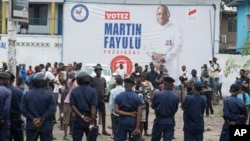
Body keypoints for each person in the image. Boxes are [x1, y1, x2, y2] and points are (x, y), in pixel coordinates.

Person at [146, 5, 183, 81]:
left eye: (164, 13)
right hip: (155, 67)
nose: (161, 16)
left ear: (168, 15)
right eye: (159, 14)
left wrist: (164, 58)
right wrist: (154, 55)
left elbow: (178, 47)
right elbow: (147, 46)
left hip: (171, 69)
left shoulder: (175, 28)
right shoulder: (152, 30)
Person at [21, 72, 56, 141]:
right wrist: (41, 119)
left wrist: (33, 119)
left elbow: (23, 109)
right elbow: (52, 109)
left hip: (31, 125)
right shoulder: (50, 95)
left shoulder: (27, 94)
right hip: (45, 125)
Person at [70, 71, 99, 141]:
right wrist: (92, 121)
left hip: (78, 119)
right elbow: (93, 107)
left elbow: (72, 105)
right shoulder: (93, 91)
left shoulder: (74, 91)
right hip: (90, 119)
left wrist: (82, 116)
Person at [151, 76, 179, 141]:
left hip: (159, 119)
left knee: (155, 138)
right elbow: (175, 109)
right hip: (170, 120)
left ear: (165, 84)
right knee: (168, 139)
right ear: (172, 85)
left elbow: (153, 106)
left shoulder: (158, 95)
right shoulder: (176, 96)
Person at [91, 64, 110, 135]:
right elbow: (90, 89)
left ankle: (104, 130)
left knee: (103, 114)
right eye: (97, 70)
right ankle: (96, 129)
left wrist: (105, 93)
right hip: (95, 100)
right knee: (94, 115)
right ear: (95, 71)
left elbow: (105, 88)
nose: (99, 72)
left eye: (100, 70)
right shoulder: (93, 80)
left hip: (102, 100)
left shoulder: (103, 79)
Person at [6, 71, 24, 141]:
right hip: (16, 118)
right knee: (18, 137)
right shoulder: (19, 91)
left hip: (4, 119)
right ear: (13, 80)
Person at [133, 72, 151, 140]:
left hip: (142, 107)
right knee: (134, 120)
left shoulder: (145, 87)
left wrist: (147, 101)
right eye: (136, 77)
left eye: (139, 77)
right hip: (134, 107)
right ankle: (134, 133)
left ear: (141, 78)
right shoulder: (133, 87)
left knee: (142, 121)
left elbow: (148, 96)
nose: (137, 79)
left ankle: (140, 135)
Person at [0, 72, 11, 141]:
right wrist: (3, 118)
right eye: (7, 80)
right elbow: (6, 108)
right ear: (2, 80)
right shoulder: (7, 91)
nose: (9, 81)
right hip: (2, 122)